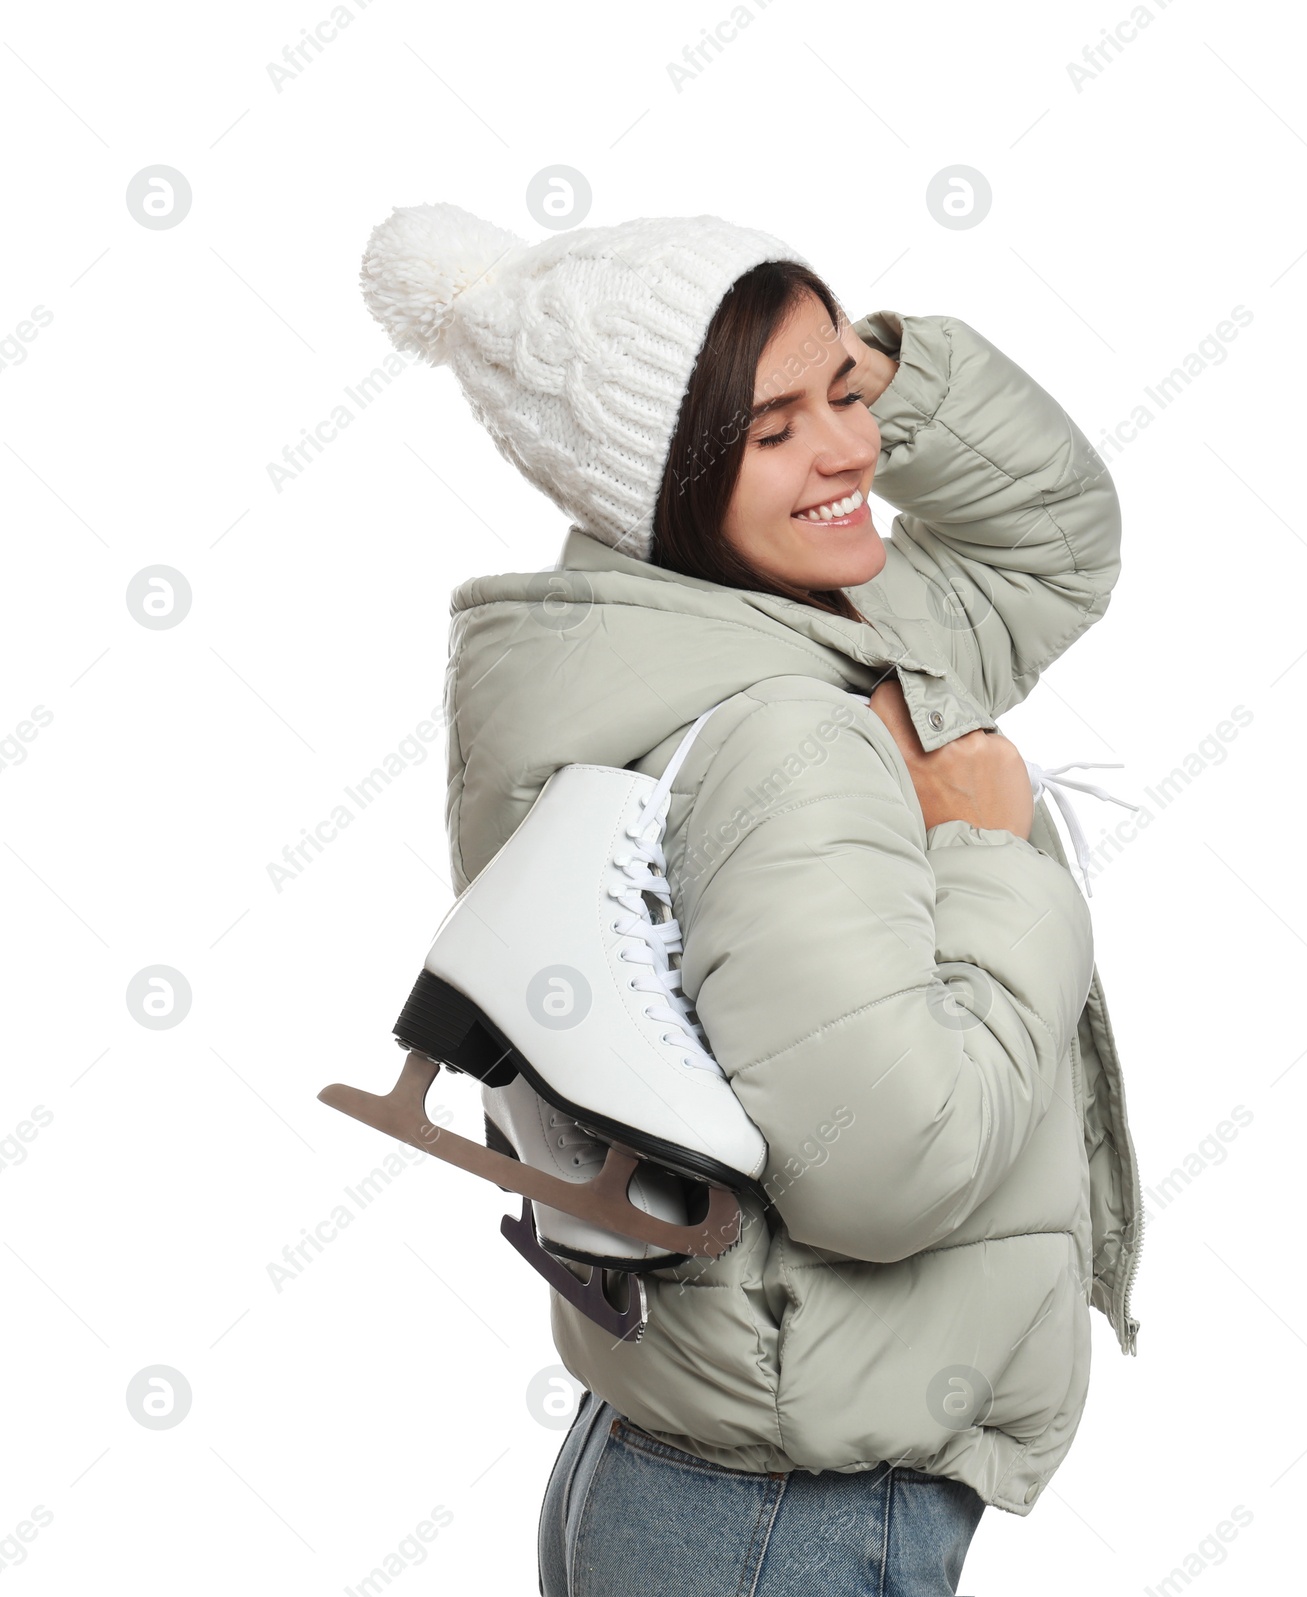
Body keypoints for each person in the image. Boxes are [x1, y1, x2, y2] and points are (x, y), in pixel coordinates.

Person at [360, 206, 1145, 1597]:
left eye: (847, 390)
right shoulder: (780, 727)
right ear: (664, 475)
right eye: (776, 427)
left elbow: (1053, 547)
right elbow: (891, 1165)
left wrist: (888, 368)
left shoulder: (734, 629)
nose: (851, 453)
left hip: (708, 1467)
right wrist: (983, 853)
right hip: (783, 1517)